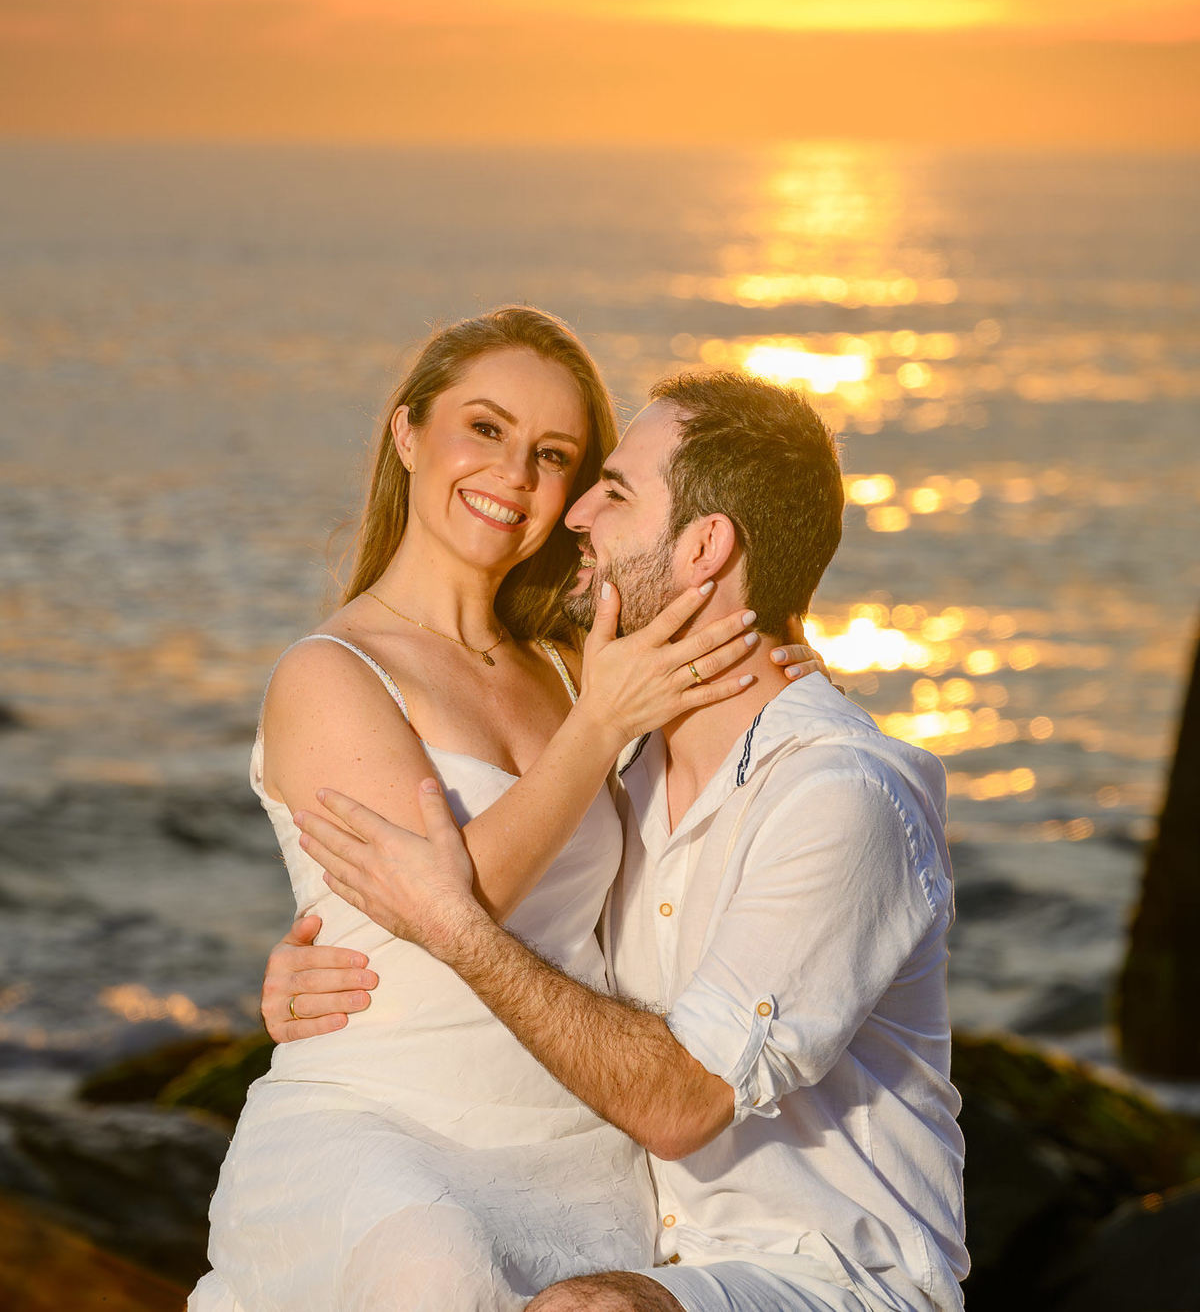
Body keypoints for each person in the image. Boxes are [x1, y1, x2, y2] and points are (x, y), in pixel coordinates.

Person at [287, 370, 969, 1312]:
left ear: (704, 546)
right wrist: (312, 960)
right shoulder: (625, 766)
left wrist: (457, 927)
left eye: (612, 491)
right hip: (652, 1250)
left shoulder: (836, 795)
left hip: (834, 1279)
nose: (573, 515)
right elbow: (549, 902)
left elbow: (681, 1101)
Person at [189, 309, 824, 1312]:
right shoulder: (332, 673)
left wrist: (792, 672)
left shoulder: (576, 666)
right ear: (408, 435)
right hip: (392, 1121)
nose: (515, 475)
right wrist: (601, 727)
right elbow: (442, 904)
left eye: (554, 454)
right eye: (484, 429)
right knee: (436, 1279)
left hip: (582, 1150)